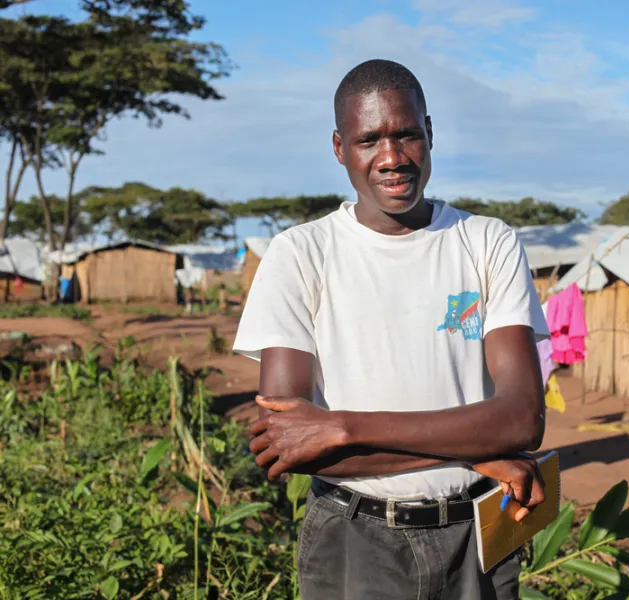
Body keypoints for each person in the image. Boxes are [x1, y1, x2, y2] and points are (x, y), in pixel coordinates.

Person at [233, 58, 549, 600]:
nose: (392, 158)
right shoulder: (301, 254)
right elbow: (287, 445)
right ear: (339, 148)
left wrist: (344, 426)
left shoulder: (488, 242)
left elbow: (523, 418)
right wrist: (474, 449)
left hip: (477, 535)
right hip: (356, 536)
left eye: (406, 135)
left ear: (431, 133)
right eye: (368, 140)